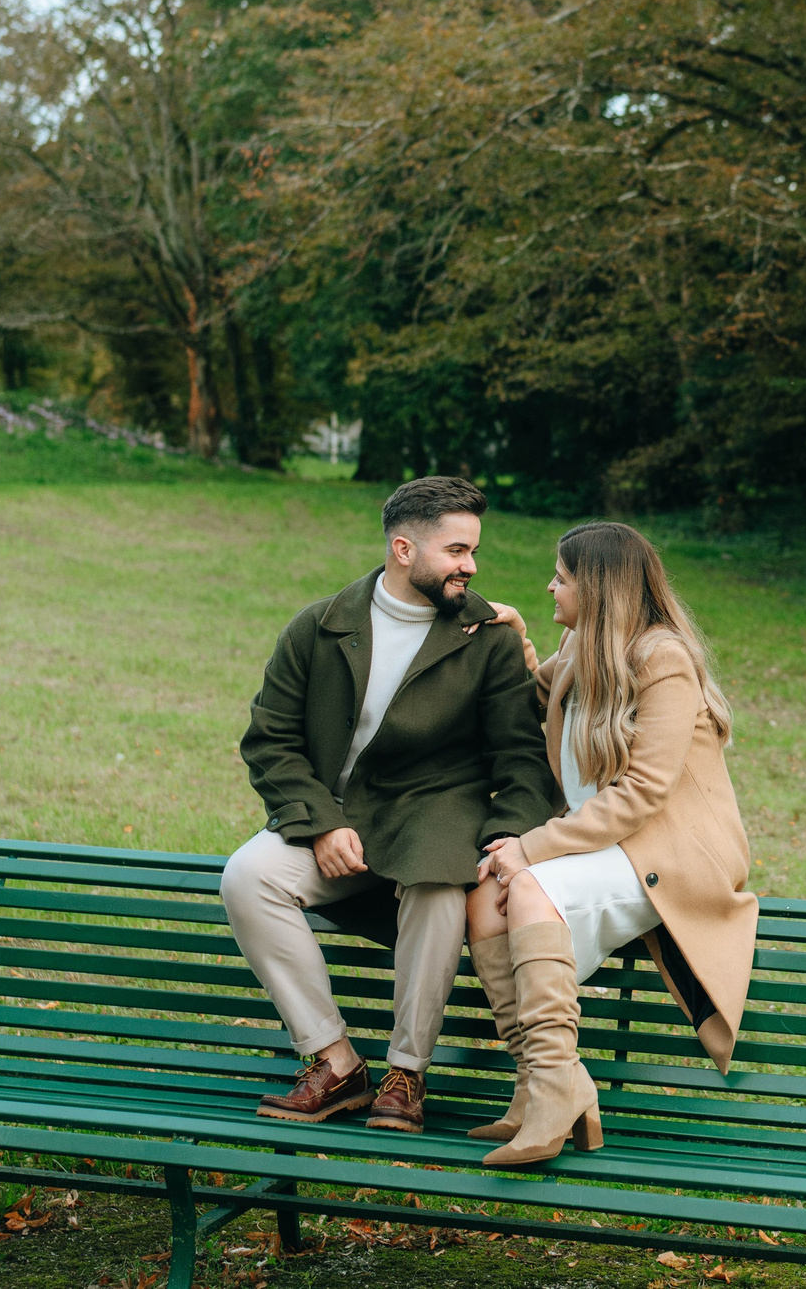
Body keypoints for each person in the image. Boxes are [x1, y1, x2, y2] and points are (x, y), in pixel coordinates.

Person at [222, 475, 557, 1134]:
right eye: (456, 550)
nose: (471, 566)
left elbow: (521, 759)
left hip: (437, 816)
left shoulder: (485, 637)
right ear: (404, 549)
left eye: (473, 551)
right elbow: (270, 741)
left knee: (439, 886)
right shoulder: (319, 627)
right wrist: (322, 823)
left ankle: (407, 1073)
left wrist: (509, 836)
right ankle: (335, 1061)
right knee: (248, 876)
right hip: (339, 822)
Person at [463, 521, 758, 1166]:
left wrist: (531, 847)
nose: (551, 587)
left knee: (526, 884)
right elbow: (536, 700)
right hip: (605, 845)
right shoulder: (582, 646)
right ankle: (541, 1085)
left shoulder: (663, 660)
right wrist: (515, 639)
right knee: (485, 895)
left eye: (561, 578)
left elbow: (642, 793)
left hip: (666, 853)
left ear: (597, 589)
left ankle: (555, 1095)